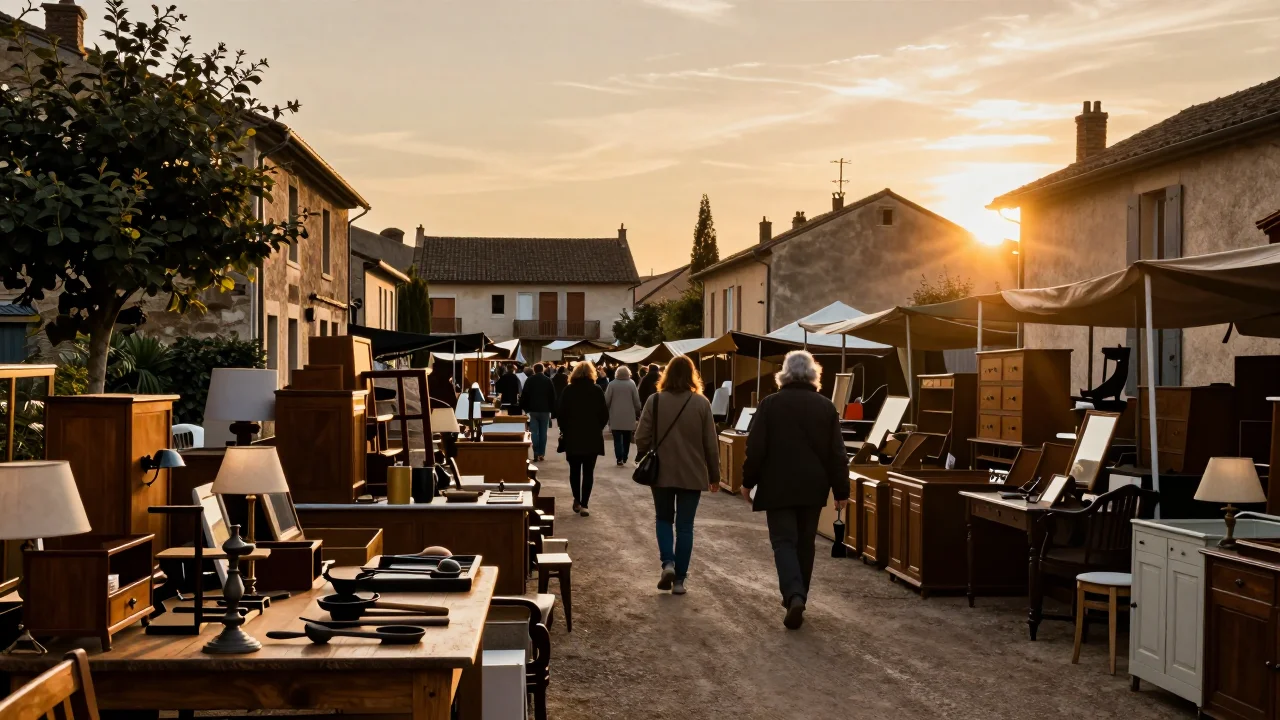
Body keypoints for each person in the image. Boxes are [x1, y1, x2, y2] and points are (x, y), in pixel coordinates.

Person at [741, 351, 848, 630]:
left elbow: (756, 448)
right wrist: (841, 490)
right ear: (814, 374)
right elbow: (837, 454)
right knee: (805, 543)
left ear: (784, 373)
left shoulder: (770, 405)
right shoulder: (826, 407)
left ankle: (794, 594)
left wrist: (748, 481)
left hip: (777, 485)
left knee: (783, 542)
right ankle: (799, 595)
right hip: (813, 486)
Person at [634, 355, 719, 596]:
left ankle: (667, 563)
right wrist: (714, 475)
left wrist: (648, 449)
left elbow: (641, 436)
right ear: (692, 375)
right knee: (685, 526)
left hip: (661, 471)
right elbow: (711, 444)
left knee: (663, 519)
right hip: (692, 473)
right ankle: (680, 580)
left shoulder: (655, 401)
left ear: (667, 374)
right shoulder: (701, 403)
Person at [557, 361, 609, 517]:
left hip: (573, 436)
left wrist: (565, 429)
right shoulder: (597, 390)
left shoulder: (568, 390)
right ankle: (585, 504)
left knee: (574, 470)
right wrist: (597, 428)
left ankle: (577, 500)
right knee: (588, 471)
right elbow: (604, 414)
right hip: (591, 436)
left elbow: (561, 413)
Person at [604, 365, 642, 466]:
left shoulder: (612, 384)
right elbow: (636, 400)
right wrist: (638, 410)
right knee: (627, 439)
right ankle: (625, 456)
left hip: (615, 416)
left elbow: (607, 401)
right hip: (629, 416)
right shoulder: (632, 384)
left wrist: (606, 411)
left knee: (617, 439)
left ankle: (619, 458)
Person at [520, 362, 556, 461]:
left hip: (533, 410)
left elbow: (525, 395)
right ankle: (541, 454)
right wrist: (552, 410)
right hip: (545, 410)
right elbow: (552, 396)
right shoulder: (548, 380)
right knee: (543, 432)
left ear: (534, 370)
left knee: (534, 432)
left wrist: (525, 407)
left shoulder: (530, 380)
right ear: (543, 369)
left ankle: (535, 451)